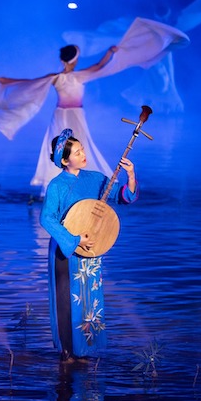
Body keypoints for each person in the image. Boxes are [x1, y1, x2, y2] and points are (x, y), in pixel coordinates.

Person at [0, 16, 187, 194]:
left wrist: (1, 81)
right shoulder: (74, 76)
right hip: (69, 115)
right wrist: (109, 53)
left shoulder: (57, 76)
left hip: (65, 115)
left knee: (65, 148)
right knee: (73, 147)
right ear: (73, 59)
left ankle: (74, 182)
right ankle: (69, 185)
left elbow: (26, 82)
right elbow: (97, 68)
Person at [39, 129, 137, 361]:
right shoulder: (57, 185)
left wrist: (130, 175)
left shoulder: (95, 178)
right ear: (64, 160)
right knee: (67, 300)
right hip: (67, 252)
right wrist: (74, 240)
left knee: (89, 298)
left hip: (92, 248)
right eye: (77, 152)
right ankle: (67, 353)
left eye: (83, 149)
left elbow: (123, 197)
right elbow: (47, 218)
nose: (84, 154)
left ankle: (86, 349)